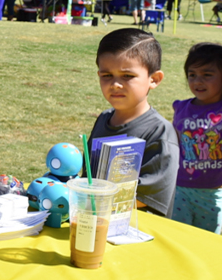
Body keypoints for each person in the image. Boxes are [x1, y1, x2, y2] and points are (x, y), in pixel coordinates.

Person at [88, 28, 179, 217]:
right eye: (106, 75)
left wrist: (88, 199)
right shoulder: (104, 119)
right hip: (93, 224)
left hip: (137, 233)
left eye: (127, 76)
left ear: (154, 79)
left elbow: (145, 198)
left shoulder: (159, 132)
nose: (115, 84)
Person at [171, 43, 222, 233]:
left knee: (208, 246)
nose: (198, 81)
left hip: (215, 194)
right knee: (178, 238)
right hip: (180, 190)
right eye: (192, 75)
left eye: (207, 75)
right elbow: (174, 144)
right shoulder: (181, 108)